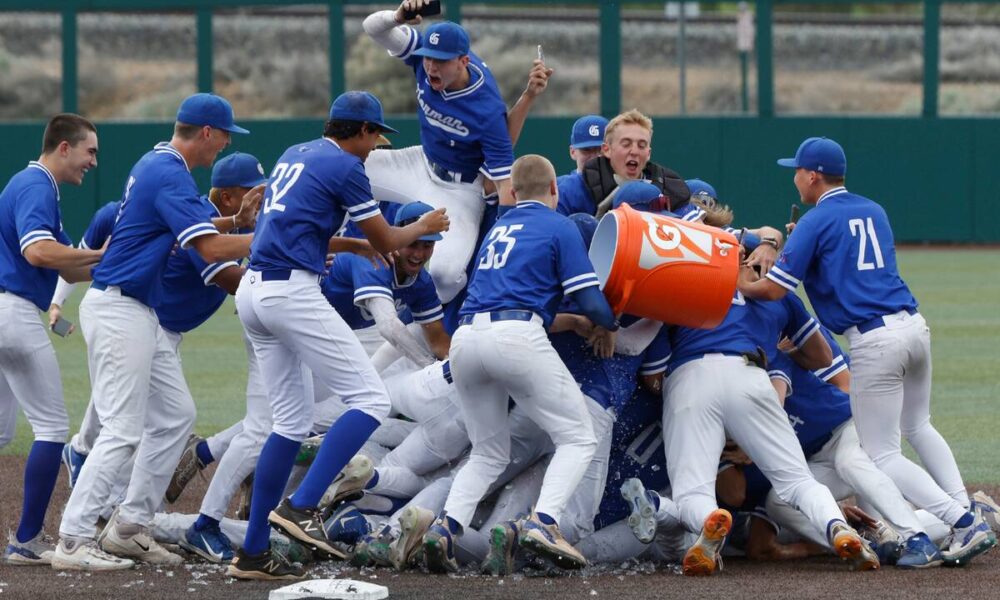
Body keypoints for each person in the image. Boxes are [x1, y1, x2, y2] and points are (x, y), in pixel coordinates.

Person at [737, 136, 996, 566]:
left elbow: (775, 287)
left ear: (813, 175)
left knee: (881, 455)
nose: (795, 178)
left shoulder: (818, 220)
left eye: (798, 171)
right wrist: (808, 242)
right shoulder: (872, 208)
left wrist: (740, 285)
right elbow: (848, 261)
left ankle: (964, 521)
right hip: (914, 325)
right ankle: (965, 509)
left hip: (875, 340)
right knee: (919, 425)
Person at [229, 91, 448, 581]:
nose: (375, 147)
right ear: (362, 131)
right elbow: (389, 239)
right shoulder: (348, 167)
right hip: (291, 291)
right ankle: (302, 505)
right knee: (369, 399)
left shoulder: (296, 153)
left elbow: (286, 226)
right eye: (375, 136)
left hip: (253, 291)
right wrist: (425, 224)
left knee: (288, 423)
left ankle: (253, 551)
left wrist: (349, 241)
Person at [53, 93, 259, 571]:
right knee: (123, 429)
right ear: (206, 132)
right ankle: (73, 537)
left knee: (175, 416)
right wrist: (269, 235)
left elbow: (191, 226)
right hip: (119, 306)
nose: (225, 144)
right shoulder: (168, 170)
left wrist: (237, 221)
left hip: (137, 309)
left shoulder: (162, 165)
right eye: (225, 134)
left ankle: (129, 527)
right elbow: (208, 249)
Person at [417, 155, 619, 573]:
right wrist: (608, 324)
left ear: (512, 192)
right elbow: (591, 299)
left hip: (468, 338)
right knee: (579, 436)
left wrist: (576, 321)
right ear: (555, 190)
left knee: (489, 452)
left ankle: (445, 528)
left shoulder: (497, 228)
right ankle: (544, 522)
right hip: (515, 337)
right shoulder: (559, 224)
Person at [0, 114, 104, 565]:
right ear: (64, 147)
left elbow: (66, 266)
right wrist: (103, 252)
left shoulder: (35, 186)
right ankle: (25, 540)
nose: (93, 162)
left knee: (2, 434)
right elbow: (38, 251)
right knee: (52, 429)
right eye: (90, 151)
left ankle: (25, 539)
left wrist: (115, 264)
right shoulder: (36, 185)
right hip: (14, 313)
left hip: (7, 309)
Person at [362, 4, 514, 303]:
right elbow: (371, 27)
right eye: (429, 59)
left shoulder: (487, 109)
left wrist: (510, 236)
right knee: (334, 170)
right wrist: (398, 16)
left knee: (446, 275)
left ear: (463, 62)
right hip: (419, 164)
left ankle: (420, 321)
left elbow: (504, 184)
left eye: (441, 61)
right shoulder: (423, 58)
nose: (432, 66)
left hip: (459, 191)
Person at [556, 109, 690, 218]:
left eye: (641, 145)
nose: (634, 151)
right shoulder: (570, 189)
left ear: (649, 153)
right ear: (608, 150)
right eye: (626, 144)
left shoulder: (669, 186)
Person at [556, 115, 608, 216]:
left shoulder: (622, 185)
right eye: (587, 150)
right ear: (572, 152)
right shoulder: (559, 189)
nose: (595, 157)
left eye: (601, 150)